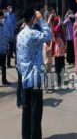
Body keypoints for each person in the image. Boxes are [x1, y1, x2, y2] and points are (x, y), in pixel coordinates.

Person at [16, 8, 51, 139]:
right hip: (35, 78)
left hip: (25, 78)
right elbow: (48, 36)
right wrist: (41, 19)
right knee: (36, 113)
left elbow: (18, 61)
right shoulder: (33, 34)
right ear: (32, 19)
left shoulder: (20, 35)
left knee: (26, 112)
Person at [0, 11, 10, 85]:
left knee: (3, 66)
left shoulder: (4, 25)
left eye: (3, 17)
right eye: (1, 18)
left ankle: (4, 80)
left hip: (3, 50)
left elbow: (6, 37)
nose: (2, 19)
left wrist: (7, 46)